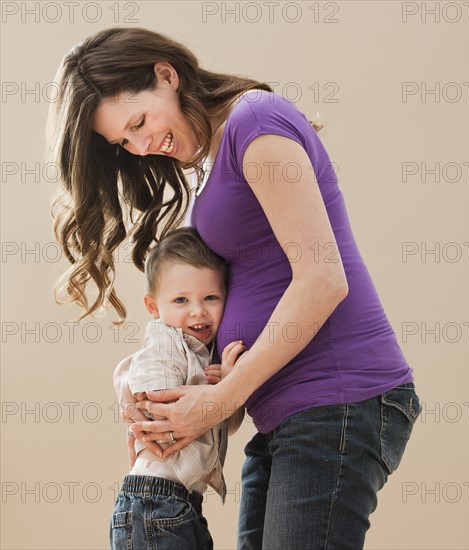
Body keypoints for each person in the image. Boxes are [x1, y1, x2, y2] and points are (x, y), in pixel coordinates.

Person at [47, 27, 422, 549]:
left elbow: (322, 278)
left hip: (337, 393)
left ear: (166, 75)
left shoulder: (254, 120)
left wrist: (220, 398)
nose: (141, 145)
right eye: (124, 142)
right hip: (287, 408)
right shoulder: (214, 152)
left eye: (139, 122)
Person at [111, 226, 245, 549]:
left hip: (181, 504)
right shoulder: (166, 341)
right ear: (154, 307)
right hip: (154, 502)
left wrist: (229, 385)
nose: (198, 310)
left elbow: (228, 423)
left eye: (210, 297)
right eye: (181, 300)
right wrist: (128, 386)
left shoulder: (205, 357)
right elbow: (156, 399)